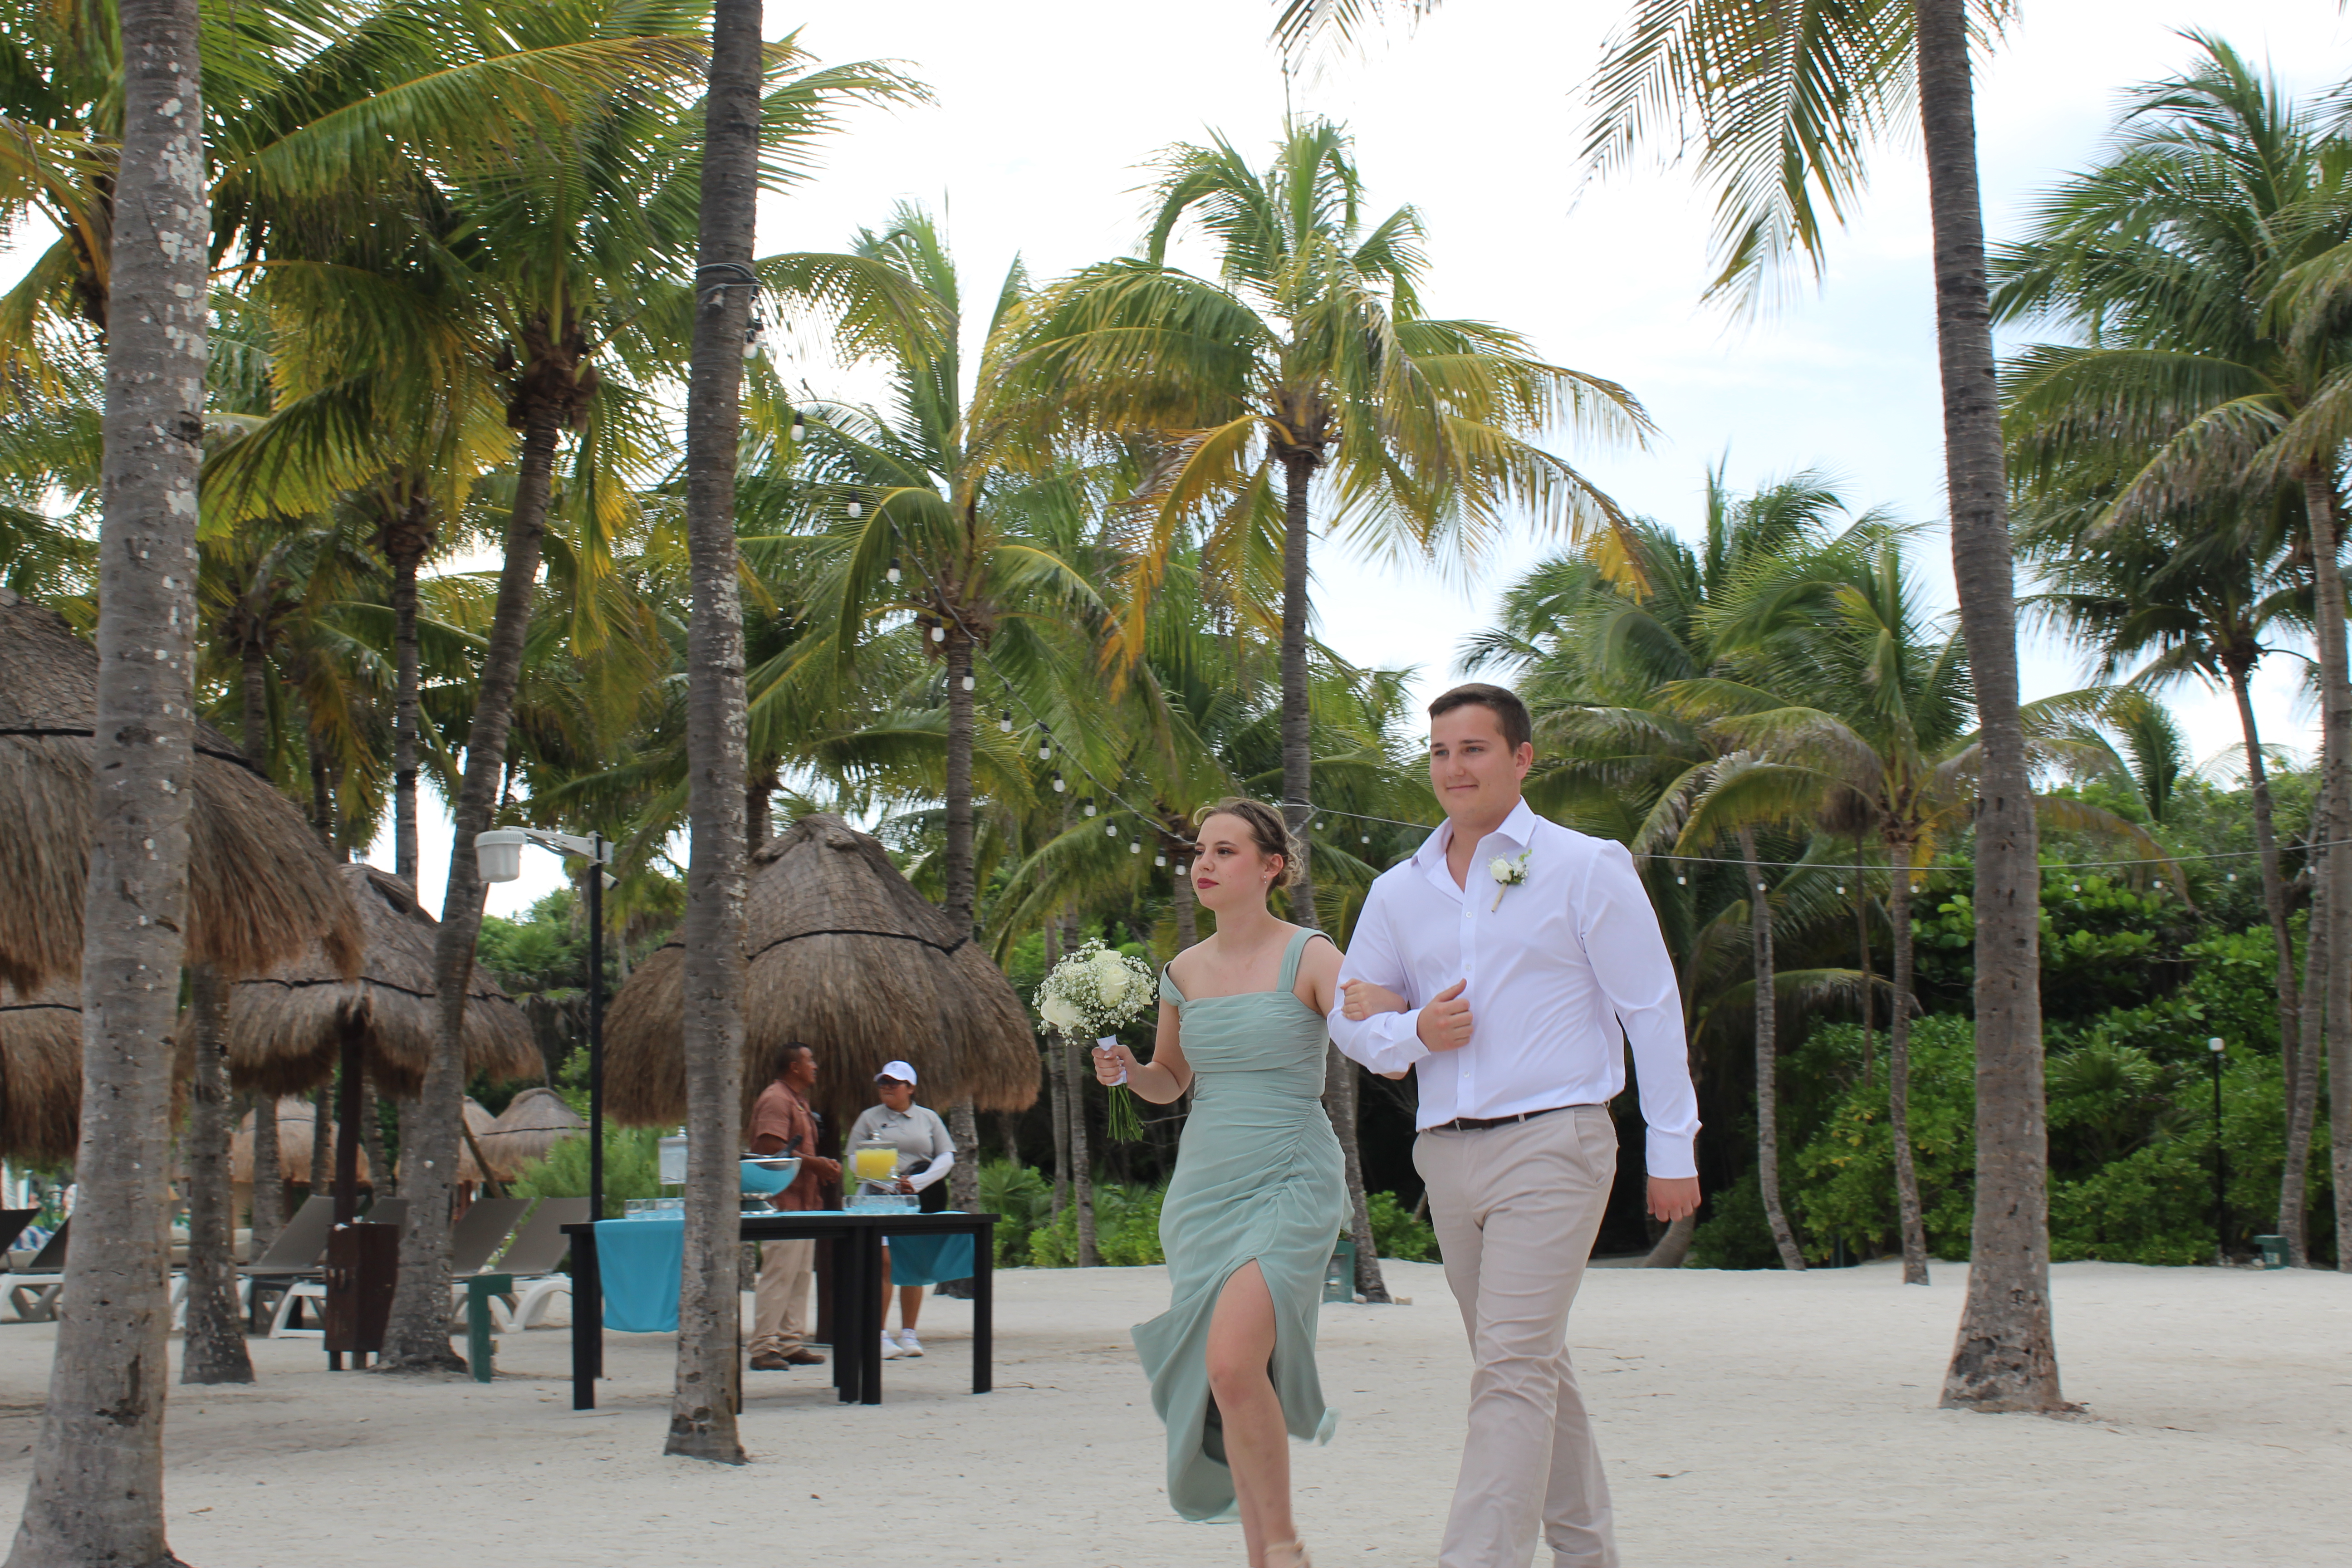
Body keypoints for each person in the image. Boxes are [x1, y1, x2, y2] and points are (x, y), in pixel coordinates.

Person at [1328, 682, 1702, 1568]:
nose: (1453, 769)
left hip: (1557, 1142)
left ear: (1522, 759)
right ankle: (1587, 1553)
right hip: (1446, 1159)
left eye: (1474, 749)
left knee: (1509, 1369)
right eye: (1440, 753)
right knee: (1527, 1365)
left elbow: (1650, 1007)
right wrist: (1411, 1030)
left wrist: (1673, 1145)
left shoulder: (1583, 865)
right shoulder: (1397, 892)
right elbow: (1350, 1018)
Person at [1093, 796, 1345, 1568]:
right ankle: (1263, 1552)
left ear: (1271, 867)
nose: (1203, 863)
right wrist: (1127, 1070)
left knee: (1234, 1362)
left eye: (1225, 851)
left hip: (1290, 1174)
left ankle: (1281, 1545)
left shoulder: (1310, 955)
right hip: (1203, 1188)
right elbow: (1171, 1080)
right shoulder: (1181, 971)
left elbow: (1374, 1031)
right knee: (1228, 1378)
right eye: (1199, 850)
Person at [843, 1060, 957, 1359]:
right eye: (883, 1082)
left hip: (918, 1201)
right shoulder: (869, 1119)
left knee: (912, 1264)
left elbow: (946, 1156)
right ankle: (879, 1334)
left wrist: (919, 1182)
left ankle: (909, 1333)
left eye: (894, 1083)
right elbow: (854, 1159)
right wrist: (891, 1182)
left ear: (911, 1088)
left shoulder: (928, 1118)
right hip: (877, 1200)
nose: (887, 1088)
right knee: (885, 1263)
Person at [746, 1040, 839, 1371]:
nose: (815, 1066)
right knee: (779, 1273)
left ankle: (789, 1342)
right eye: (810, 1060)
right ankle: (762, 1347)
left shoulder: (798, 1101)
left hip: (805, 1202)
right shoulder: (775, 1099)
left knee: (800, 1274)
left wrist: (818, 1167)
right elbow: (770, 1148)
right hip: (782, 1202)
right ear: (794, 1067)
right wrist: (815, 1165)